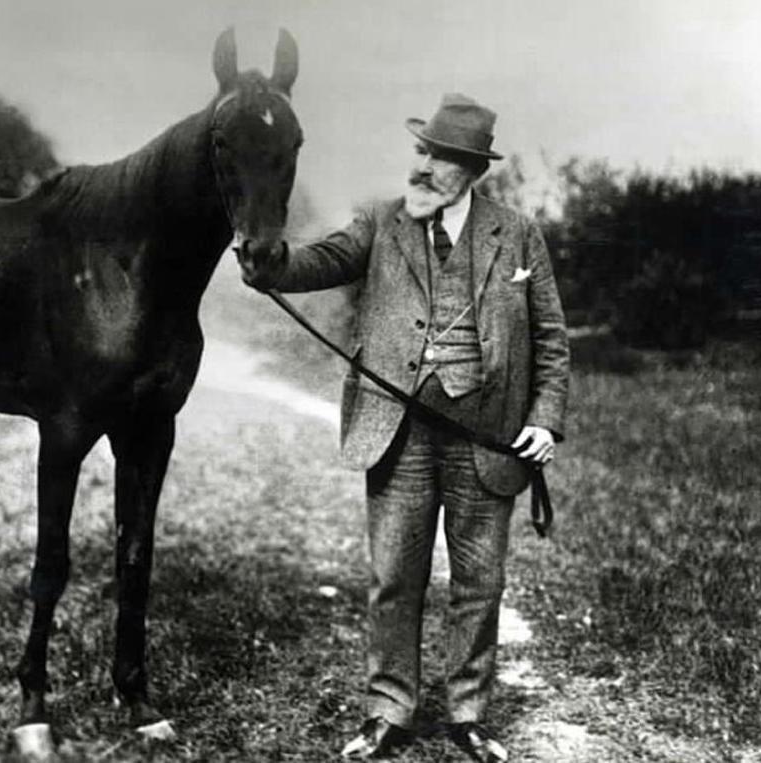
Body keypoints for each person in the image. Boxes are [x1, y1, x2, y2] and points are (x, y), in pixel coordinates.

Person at [238, 93, 569, 761]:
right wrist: (270, 261)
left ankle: (469, 713)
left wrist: (545, 420)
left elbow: (552, 339)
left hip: (488, 433)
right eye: (423, 151)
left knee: (481, 581)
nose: (425, 166)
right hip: (399, 431)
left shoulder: (518, 233)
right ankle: (389, 709)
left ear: (471, 170)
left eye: (442, 158)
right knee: (396, 576)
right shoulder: (383, 223)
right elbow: (322, 260)